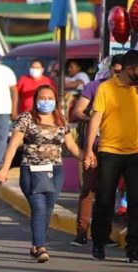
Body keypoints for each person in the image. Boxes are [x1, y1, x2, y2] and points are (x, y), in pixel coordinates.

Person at [0, 85, 84, 263]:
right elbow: (13, 145)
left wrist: (87, 157)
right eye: (42, 98)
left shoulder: (61, 120)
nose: (46, 101)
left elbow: (72, 146)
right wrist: (4, 168)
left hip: (55, 172)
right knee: (39, 208)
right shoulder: (26, 119)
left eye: (50, 98)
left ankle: (36, 244)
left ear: (55, 101)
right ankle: (41, 247)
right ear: (36, 100)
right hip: (31, 171)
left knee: (48, 209)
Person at [84, 50, 138, 263]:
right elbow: (95, 120)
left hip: (136, 153)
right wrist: (89, 150)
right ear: (129, 69)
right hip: (110, 152)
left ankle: (133, 248)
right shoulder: (106, 88)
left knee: (136, 202)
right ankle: (98, 241)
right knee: (104, 200)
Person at [70, 54, 123, 247]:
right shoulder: (94, 87)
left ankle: (103, 234)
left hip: (116, 148)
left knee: (108, 192)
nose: (117, 75)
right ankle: (81, 233)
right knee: (88, 189)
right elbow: (77, 112)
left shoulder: (128, 89)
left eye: (121, 72)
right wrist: (95, 119)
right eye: (115, 71)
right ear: (108, 69)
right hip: (93, 147)